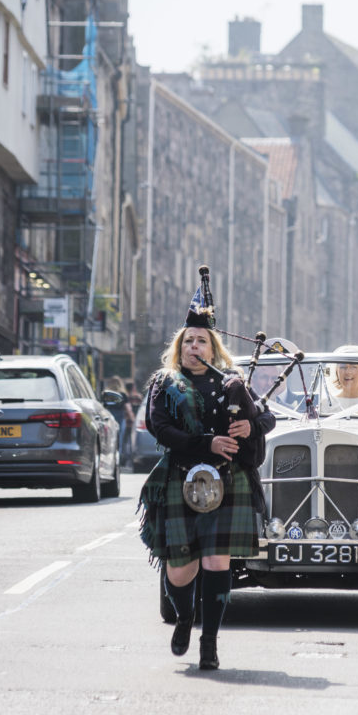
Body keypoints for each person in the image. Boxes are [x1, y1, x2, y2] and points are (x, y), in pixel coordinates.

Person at [138, 268, 274, 670]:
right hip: (181, 477)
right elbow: (158, 428)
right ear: (179, 347)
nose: (194, 346)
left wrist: (251, 425)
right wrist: (206, 443)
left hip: (227, 481)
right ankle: (184, 618)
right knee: (181, 569)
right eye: (188, 341)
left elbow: (268, 418)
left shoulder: (232, 383)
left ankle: (210, 643)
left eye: (202, 341)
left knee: (217, 561)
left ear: (213, 349)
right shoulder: (165, 383)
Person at [106, 375, 134, 468]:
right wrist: (131, 418)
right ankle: (117, 458)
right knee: (119, 438)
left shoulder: (107, 394)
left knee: (108, 437)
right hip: (120, 417)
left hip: (109, 417)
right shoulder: (123, 394)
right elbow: (127, 407)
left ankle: (109, 456)